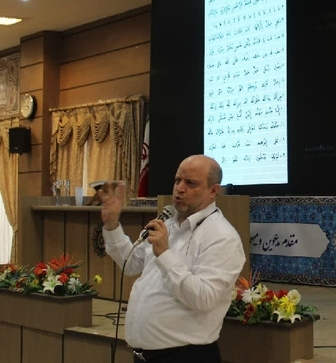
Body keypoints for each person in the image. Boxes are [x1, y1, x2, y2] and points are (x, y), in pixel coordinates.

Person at [99, 155, 245, 363]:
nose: (179, 188)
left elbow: (204, 298)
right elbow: (130, 263)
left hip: (186, 356)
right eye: (177, 180)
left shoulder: (222, 237)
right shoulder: (166, 223)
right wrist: (112, 225)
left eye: (190, 183)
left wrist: (165, 254)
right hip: (144, 355)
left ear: (213, 191)